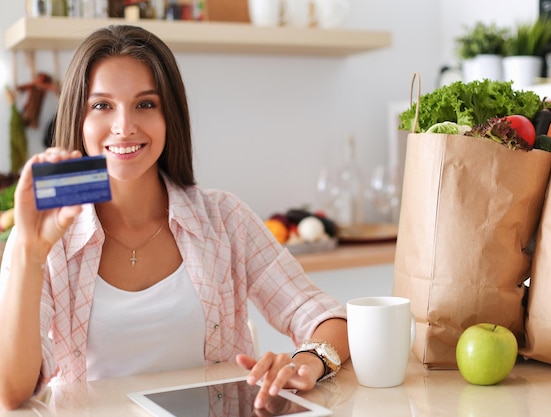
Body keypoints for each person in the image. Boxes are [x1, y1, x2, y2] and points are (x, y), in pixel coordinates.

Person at [0, 25, 349, 411]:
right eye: (102, 105)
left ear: (170, 115)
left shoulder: (225, 218)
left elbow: (329, 318)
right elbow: (10, 391)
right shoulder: (43, 239)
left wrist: (307, 362)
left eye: (145, 104)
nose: (124, 126)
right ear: (78, 119)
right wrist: (30, 253)